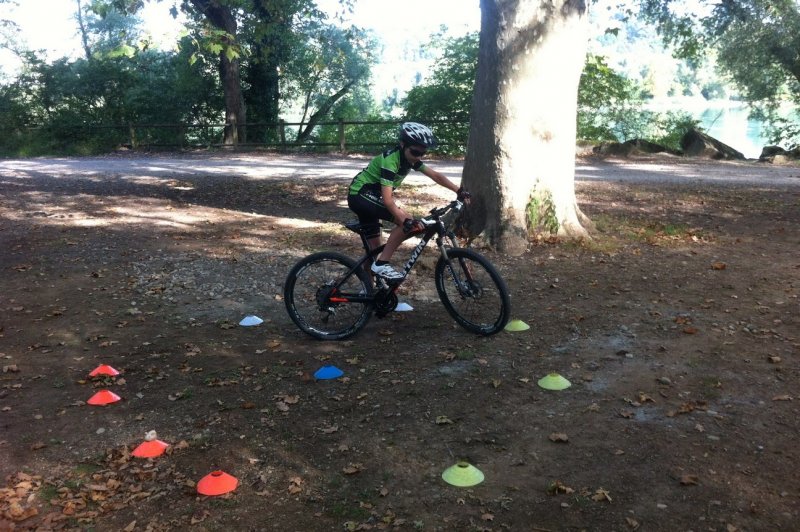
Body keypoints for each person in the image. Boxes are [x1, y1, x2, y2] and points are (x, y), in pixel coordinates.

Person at [347, 122, 466, 280]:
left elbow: (436, 175)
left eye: (422, 153)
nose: (418, 157)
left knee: (374, 248)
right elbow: (388, 200)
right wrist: (404, 219)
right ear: (402, 144)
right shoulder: (391, 161)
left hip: (371, 197)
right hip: (360, 195)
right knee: (408, 224)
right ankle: (382, 264)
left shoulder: (411, 159)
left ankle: (370, 293)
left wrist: (459, 190)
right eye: (415, 151)